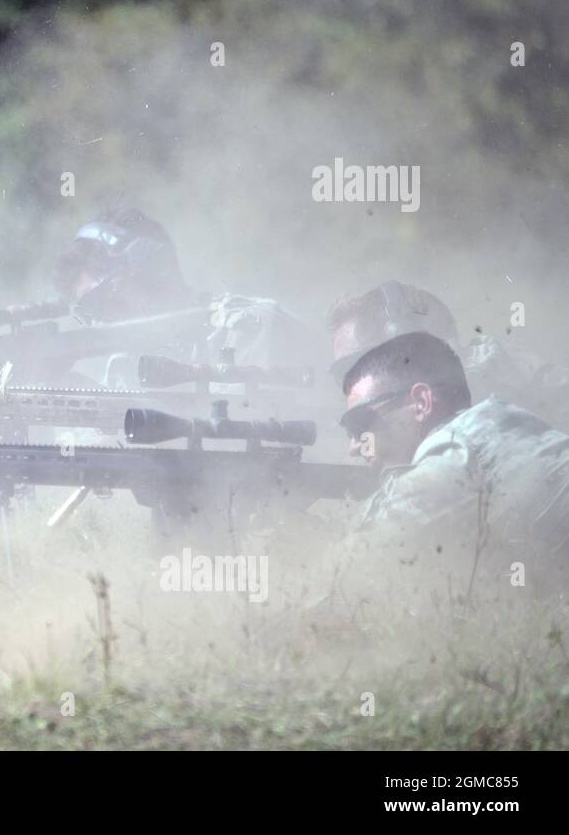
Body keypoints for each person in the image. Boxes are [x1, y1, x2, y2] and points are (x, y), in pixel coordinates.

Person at [337, 331, 569, 590]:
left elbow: (349, 572)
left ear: (421, 402)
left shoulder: (457, 452)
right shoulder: (493, 427)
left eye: (360, 424)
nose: (354, 448)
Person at [51, 209, 324, 380]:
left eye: (103, 301)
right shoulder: (116, 368)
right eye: (89, 313)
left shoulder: (248, 327)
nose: (101, 322)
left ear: (149, 270)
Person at [326, 280, 569, 426]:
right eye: (342, 375)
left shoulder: (492, 399)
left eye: (356, 368)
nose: (348, 387)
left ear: (408, 348)